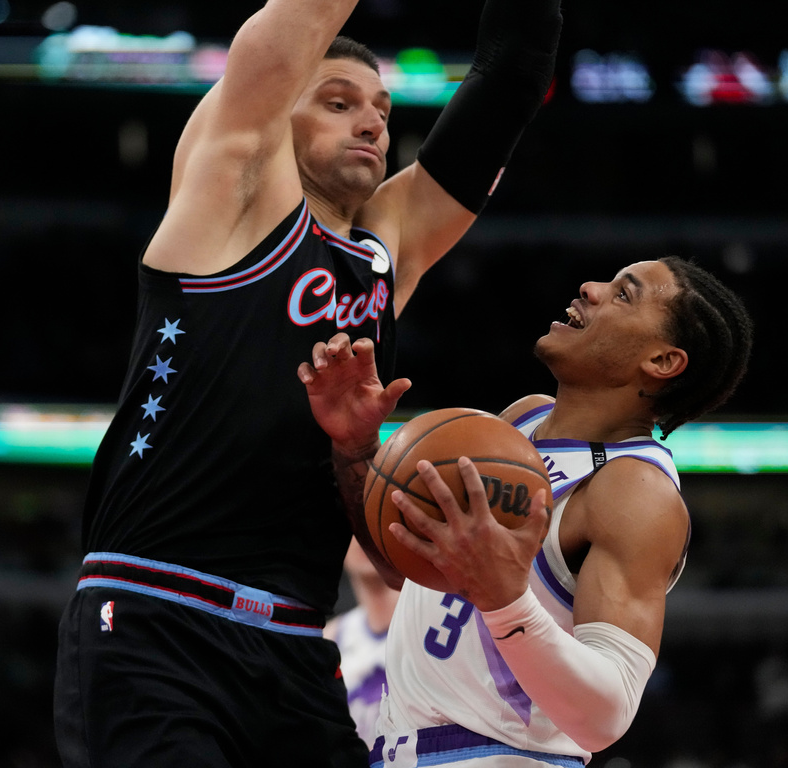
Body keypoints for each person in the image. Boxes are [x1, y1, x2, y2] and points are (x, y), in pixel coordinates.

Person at [52, 0, 564, 764]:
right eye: (338, 102)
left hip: (294, 647)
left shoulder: (386, 248)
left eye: (382, 110)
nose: (372, 123)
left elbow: (511, 78)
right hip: (156, 619)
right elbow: (283, 35)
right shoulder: (226, 196)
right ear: (277, 112)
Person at [298, 256, 754, 766]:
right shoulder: (522, 421)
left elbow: (606, 716)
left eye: (624, 294)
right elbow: (405, 569)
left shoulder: (634, 489)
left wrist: (505, 599)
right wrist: (356, 447)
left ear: (663, 361)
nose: (591, 287)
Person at [325, 537, 402, 749]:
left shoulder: (436, 624)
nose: (362, 538)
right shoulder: (328, 639)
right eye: (354, 526)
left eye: (368, 523)